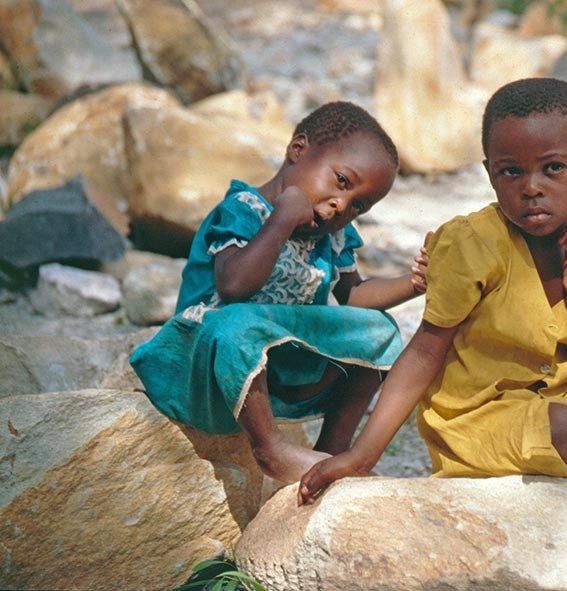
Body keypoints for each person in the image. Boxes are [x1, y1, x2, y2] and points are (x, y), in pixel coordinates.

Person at [298, 78, 567, 503]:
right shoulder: (471, 242)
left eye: (553, 168)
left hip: (559, 409)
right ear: (490, 173)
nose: (531, 187)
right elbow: (424, 352)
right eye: (511, 171)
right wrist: (361, 456)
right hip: (474, 421)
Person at [131, 101, 429, 483]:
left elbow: (353, 296)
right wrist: (283, 218)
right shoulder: (243, 210)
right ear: (298, 150)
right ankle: (270, 448)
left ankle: (332, 451)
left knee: (380, 329)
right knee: (235, 324)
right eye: (341, 181)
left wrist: (414, 282)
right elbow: (234, 286)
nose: (341, 205)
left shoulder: (332, 236)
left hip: (278, 382)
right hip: (206, 373)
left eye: (359, 205)